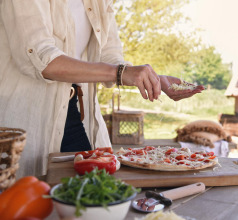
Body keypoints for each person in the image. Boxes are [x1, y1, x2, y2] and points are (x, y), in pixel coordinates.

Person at [0, 0, 204, 178]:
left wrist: (154, 80)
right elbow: (42, 58)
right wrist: (120, 72)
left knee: (88, 196)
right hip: (28, 116)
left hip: (77, 112)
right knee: (29, 201)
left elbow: (110, 56)